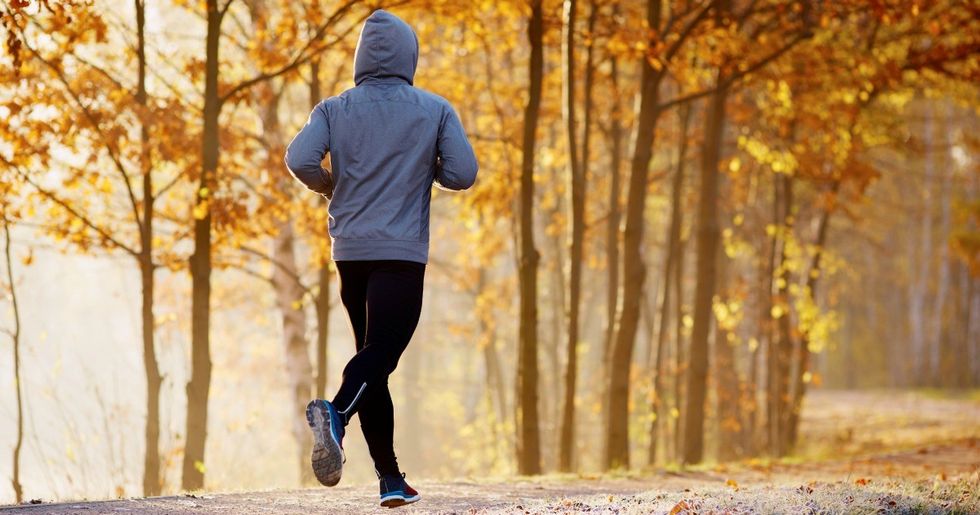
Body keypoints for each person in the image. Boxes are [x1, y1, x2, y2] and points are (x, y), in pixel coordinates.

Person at [283, 8, 478, 509]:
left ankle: (391, 478)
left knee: (373, 364)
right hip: (401, 252)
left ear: (361, 58)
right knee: (380, 356)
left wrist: (330, 187)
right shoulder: (434, 110)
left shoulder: (334, 108)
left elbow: (299, 158)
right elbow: (462, 174)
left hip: (350, 252)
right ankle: (336, 416)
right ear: (410, 57)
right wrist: (424, 167)